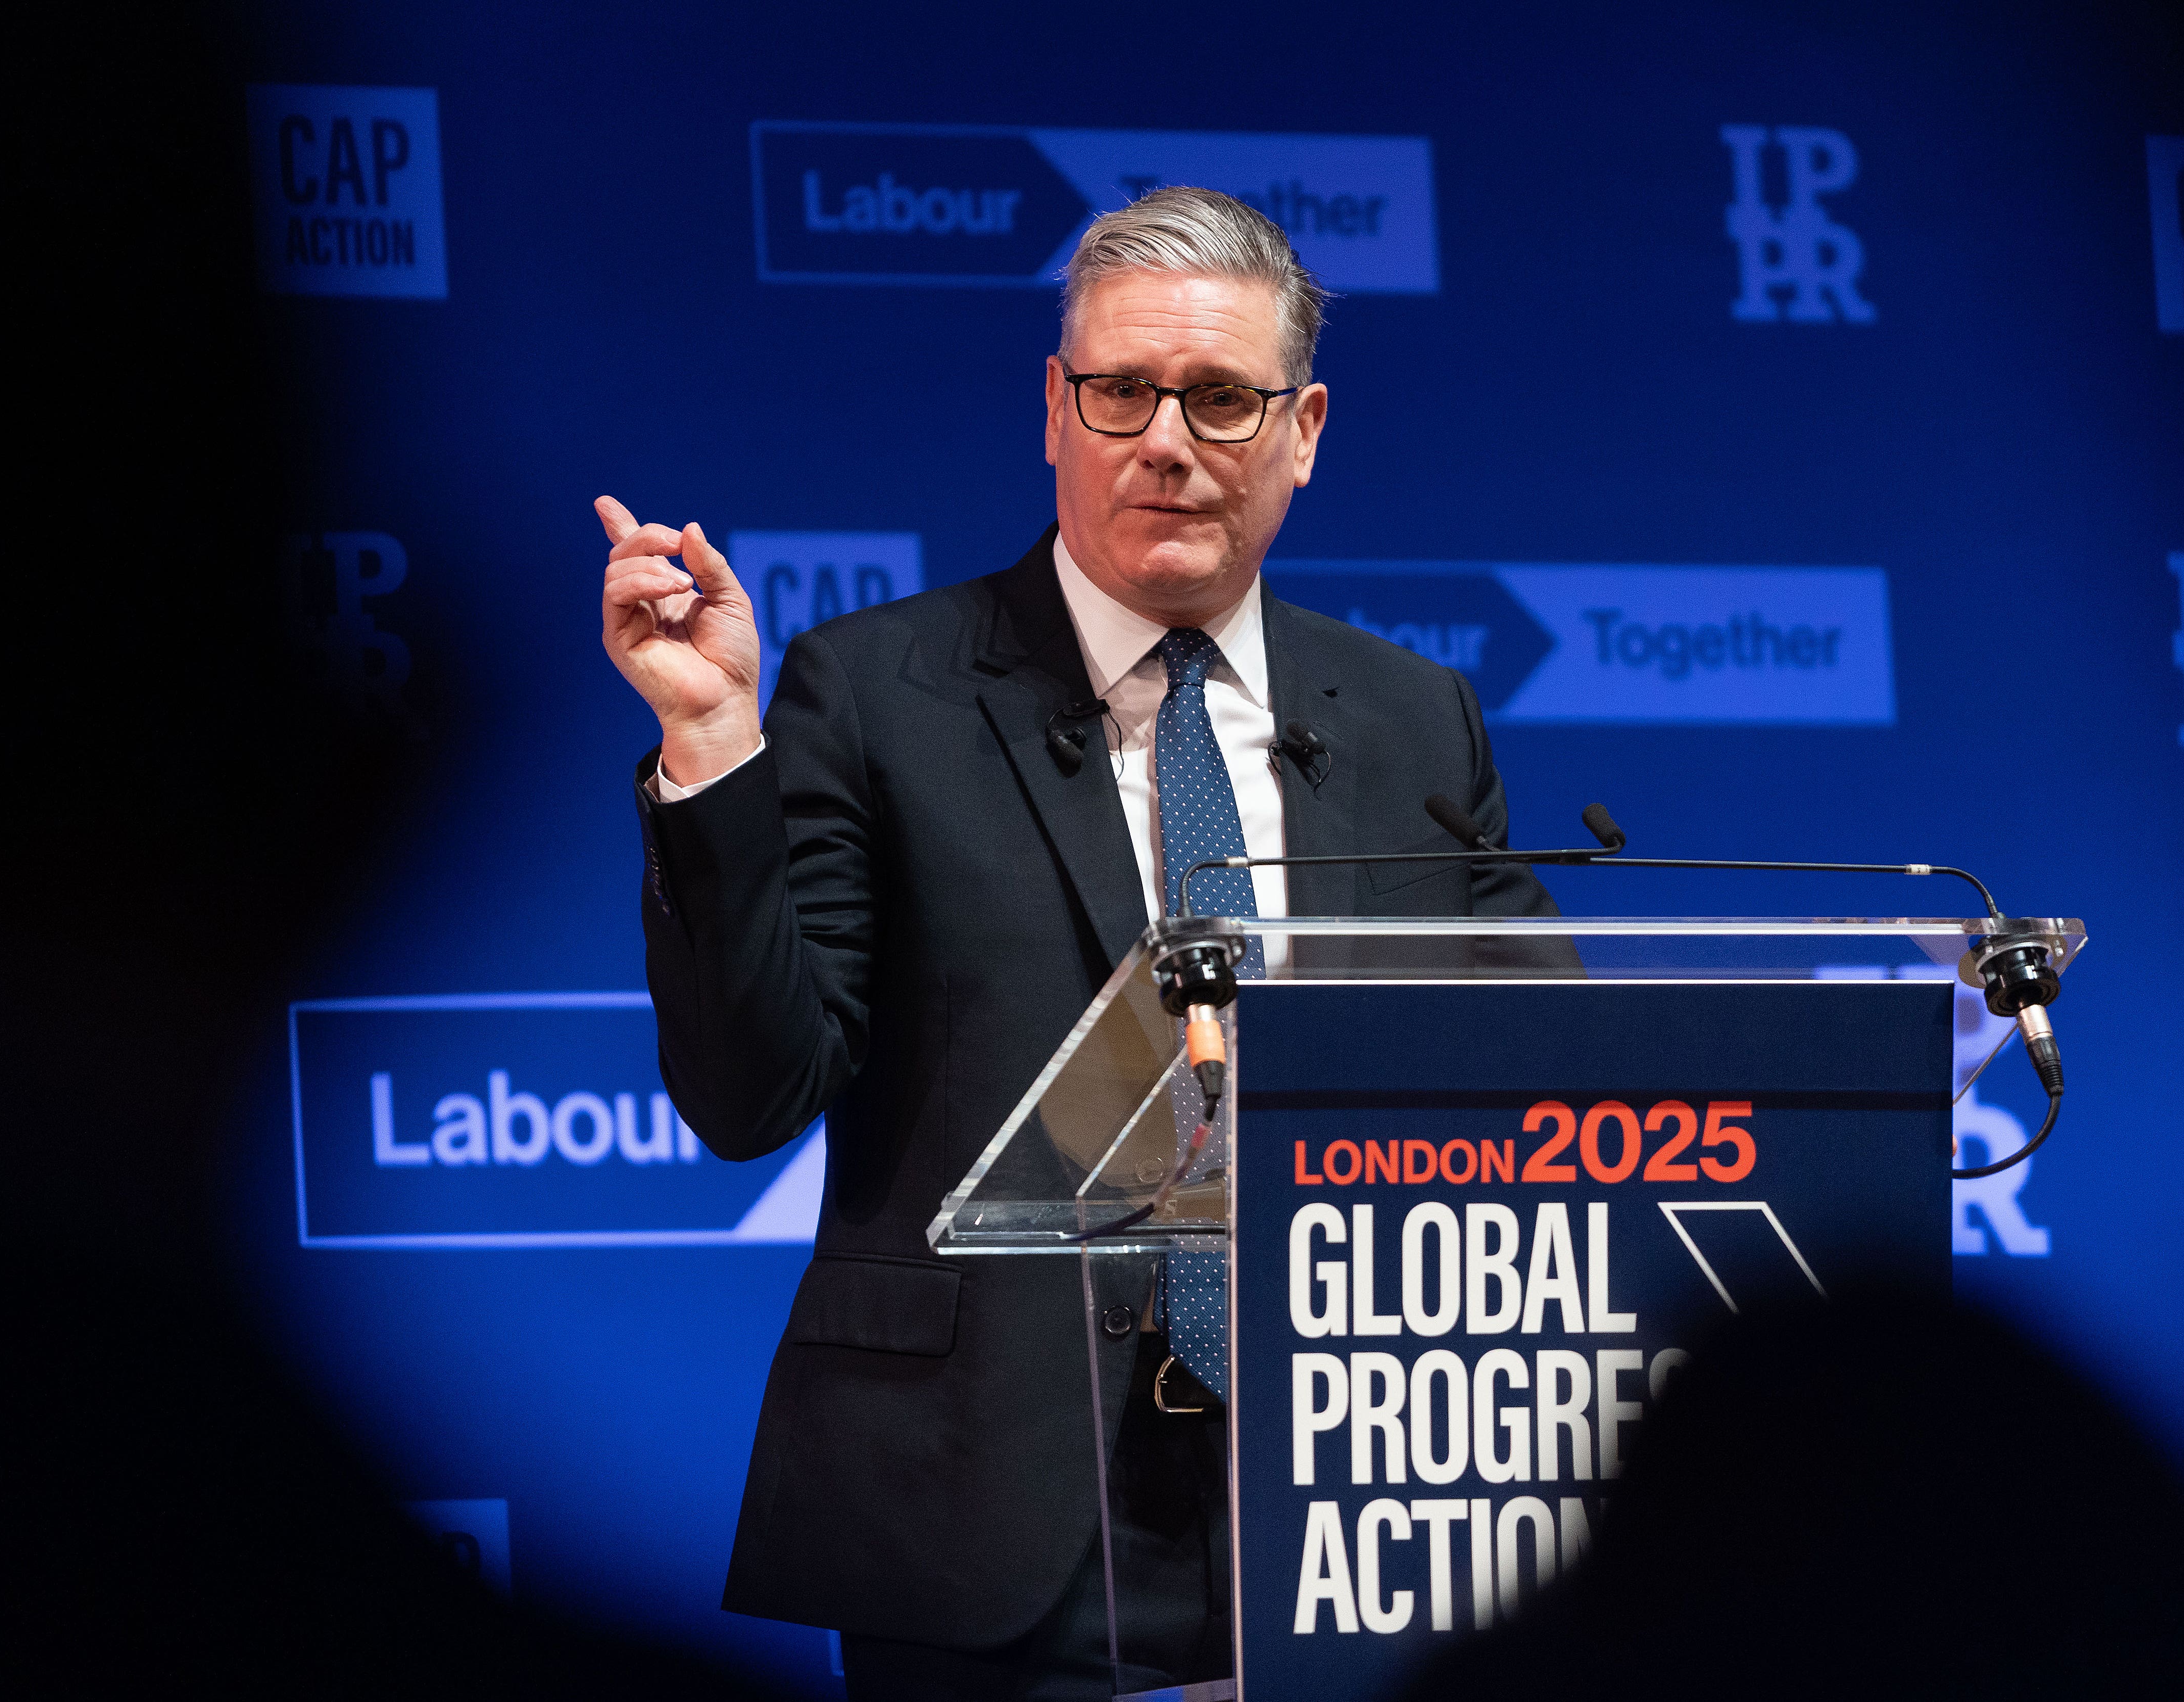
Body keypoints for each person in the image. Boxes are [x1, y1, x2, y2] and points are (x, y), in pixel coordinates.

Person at [598, 187, 1559, 1698]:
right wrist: (714, 751)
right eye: (1122, 391)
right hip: (989, 1507)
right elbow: (749, 1093)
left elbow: (1552, 1072)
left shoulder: (1407, 715)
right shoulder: (876, 691)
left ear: (1304, 431)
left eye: (1225, 399)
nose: (1166, 441)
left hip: (1349, 1508)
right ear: (1056, 409)